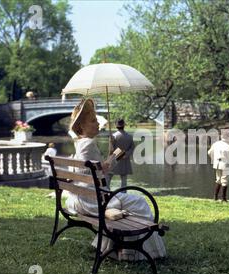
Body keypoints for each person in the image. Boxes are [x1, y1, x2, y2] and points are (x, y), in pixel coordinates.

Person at [65, 98, 166, 261]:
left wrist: (113, 153)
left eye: (97, 120)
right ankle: (135, 253)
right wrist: (117, 153)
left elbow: (97, 169)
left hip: (85, 197)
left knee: (131, 203)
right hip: (93, 201)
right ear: (82, 126)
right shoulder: (88, 144)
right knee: (140, 203)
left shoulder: (81, 143)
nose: (98, 124)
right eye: (93, 121)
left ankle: (111, 248)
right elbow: (103, 170)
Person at [108, 119, 135, 189]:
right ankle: (123, 194)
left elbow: (111, 150)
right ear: (124, 125)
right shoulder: (129, 136)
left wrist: (111, 142)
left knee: (108, 176)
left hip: (114, 159)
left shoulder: (113, 136)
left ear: (116, 126)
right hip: (125, 159)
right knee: (124, 179)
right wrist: (125, 154)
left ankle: (107, 191)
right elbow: (132, 148)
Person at [208, 133, 229, 202]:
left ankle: (215, 197)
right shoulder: (228, 146)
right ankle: (223, 198)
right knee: (224, 181)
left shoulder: (216, 144)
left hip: (217, 164)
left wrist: (214, 159)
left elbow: (209, 152)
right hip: (225, 164)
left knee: (218, 179)